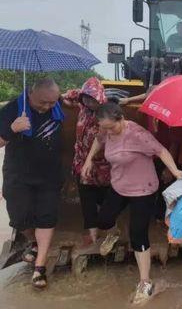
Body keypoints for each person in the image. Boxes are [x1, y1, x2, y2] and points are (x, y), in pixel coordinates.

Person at [82, 102, 182, 305]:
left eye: (111, 127)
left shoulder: (138, 134)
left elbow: (162, 151)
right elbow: (98, 139)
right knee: (103, 220)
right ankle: (113, 233)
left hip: (143, 190)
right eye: (105, 127)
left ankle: (145, 282)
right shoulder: (105, 130)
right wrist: (88, 159)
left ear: (121, 119)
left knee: (138, 234)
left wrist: (175, 172)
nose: (108, 132)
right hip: (119, 186)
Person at [0, 77, 64, 288]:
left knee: (47, 217)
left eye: (52, 103)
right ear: (30, 94)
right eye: (43, 102)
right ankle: (32, 241)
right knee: (19, 218)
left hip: (49, 175)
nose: (47, 107)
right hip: (18, 175)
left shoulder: (57, 104)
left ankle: (40, 266)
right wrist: (12, 129)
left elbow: (78, 96)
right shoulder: (11, 109)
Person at [63, 77, 111, 245]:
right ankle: (92, 235)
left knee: (104, 200)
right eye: (87, 99)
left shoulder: (107, 113)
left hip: (103, 165)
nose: (90, 103)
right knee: (87, 200)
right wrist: (64, 98)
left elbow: (102, 138)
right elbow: (71, 95)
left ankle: (109, 230)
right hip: (81, 162)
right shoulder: (82, 107)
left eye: (93, 99)